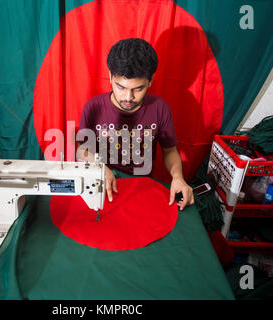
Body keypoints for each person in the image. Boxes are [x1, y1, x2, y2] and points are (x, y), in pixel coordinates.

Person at [78, 38, 194, 210]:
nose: (128, 97)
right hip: (102, 184)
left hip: (141, 188)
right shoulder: (93, 107)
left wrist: (178, 177)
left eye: (138, 89)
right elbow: (83, 151)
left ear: (150, 80)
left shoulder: (160, 108)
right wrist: (99, 168)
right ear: (110, 76)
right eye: (121, 87)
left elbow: (170, 151)